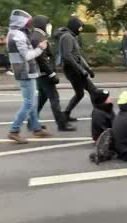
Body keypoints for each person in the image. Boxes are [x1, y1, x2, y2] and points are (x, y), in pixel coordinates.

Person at [6, 9, 51, 143]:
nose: (28, 24)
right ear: (21, 21)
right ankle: (14, 130)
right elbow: (27, 55)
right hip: (25, 71)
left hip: (26, 71)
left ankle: (36, 128)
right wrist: (41, 48)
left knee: (32, 102)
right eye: (27, 22)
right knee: (29, 103)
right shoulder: (18, 35)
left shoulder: (15, 33)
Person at [30, 15, 76, 132]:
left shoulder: (38, 35)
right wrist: (51, 74)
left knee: (42, 98)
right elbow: (42, 59)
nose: (49, 26)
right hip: (44, 73)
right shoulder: (38, 37)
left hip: (40, 73)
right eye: (47, 23)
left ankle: (32, 122)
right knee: (54, 98)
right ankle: (61, 124)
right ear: (42, 24)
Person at [55, 17, 98, 122]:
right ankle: (99, 115)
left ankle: (66, 114)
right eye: (79, 28)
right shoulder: (67, 37)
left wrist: (88, 69)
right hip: (73, 70)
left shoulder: (72, 37)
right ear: (74, 26)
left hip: (75, 69)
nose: (80, 30)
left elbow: (78, 56)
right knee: (94, 91)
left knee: (80, 94)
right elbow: (67, 56)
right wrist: (81, 70)